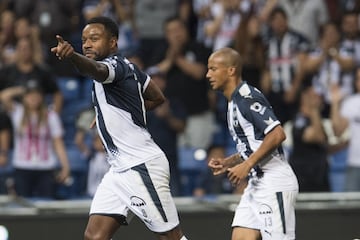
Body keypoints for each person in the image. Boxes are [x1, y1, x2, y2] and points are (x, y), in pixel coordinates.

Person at [51, 16, 189, 240]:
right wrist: (114, 113)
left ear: (113, 42)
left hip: (141, 164)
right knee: (94, 236)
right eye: (84, 39)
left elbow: (98, 70)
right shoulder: (131, 68)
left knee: (170, 237)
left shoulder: (113, 65)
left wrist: (72, 56)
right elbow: (157, 97)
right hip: (119, 170)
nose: (87, 44)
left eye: (94, 39)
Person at [206, 47, 298, 239]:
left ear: (231, 70)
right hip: (256, 183)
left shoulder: (246, 97)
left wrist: (246, 165)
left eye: (214, 69)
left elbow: (277, 134)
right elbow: (254, 144)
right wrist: (228, 163)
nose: (208, 74)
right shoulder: (232, 102)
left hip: (274, 182)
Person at [0, 84, 70, 199]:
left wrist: (65, 166)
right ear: (24, 97)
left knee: (47, 205)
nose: (33, 98)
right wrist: (22, 89)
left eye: (37, 94)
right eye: (30, 95)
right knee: (22, 206)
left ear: (42, 97)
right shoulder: (18, 112)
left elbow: (58, 143)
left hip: (46, 167)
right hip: (22, 167)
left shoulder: (51, 116)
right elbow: (4, 96)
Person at [288, 85, 330, 192]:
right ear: (304, 98)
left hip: (320, 178)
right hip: (304, 179)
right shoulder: (299, 120)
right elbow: (318, 137)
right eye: (313, 96)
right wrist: (314, 110)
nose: (317, 98)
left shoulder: (318, 120)